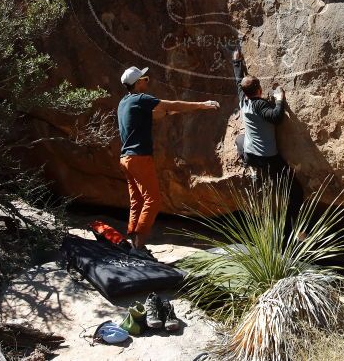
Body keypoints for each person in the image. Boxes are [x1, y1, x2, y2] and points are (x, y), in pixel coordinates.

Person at [117, 66, 220, 259]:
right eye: (145, 78)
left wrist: (173, 112)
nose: (147, 81)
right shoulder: (141, 99)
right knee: (152, 201)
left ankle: (133, 243)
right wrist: (201, 104)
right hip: (139, 158)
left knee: (137, 201)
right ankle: (139, 248)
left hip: (126, 159)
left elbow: (159, 113)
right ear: (138, 82)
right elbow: (171, 104)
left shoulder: (124, 103)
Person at [232, 50, 304, 239]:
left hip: (250, 154)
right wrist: (279, 100)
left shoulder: (243, 100)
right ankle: (289, 230)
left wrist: (236, 61)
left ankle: (251, 167)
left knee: (239, 139)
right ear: (259, 90)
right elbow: (276, 117)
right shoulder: (259, 105)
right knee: (296, 192)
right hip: (268, 158)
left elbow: (238, 79)